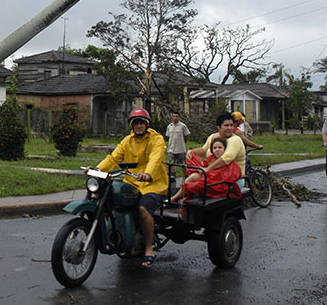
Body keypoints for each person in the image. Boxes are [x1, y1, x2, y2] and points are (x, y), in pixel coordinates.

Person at [94, 107, 168, 268]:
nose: (139, 126)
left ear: (147, 124)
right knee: (110, 199)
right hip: (132, 183)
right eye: (136, 123)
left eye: (142, 123)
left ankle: (149, 248)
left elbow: (156, 158)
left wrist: (148, 174)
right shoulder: (127, 141)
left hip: (153, 184)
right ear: (131, 125)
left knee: (143, 209)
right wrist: (97, 170)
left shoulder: (156, 139)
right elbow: (113, 158)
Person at [169, 137, 241, 203]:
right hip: (210, 180)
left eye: (220, 147)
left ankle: (175, 199)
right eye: (215, 148)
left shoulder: (227, 161)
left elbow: (227, 176)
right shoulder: (211, 159)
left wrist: (207, 172)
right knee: (193, 177)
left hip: (219, 185)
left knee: (196, 184)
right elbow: (204, 167)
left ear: (224, 149)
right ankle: (180, 200)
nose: (217, 150)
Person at [187, 113, 246, 185]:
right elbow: (203, 150)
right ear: (219, 127)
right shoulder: (213, 137)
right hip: (214, 175)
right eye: (226, 125)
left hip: (232, 178)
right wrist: (191, 152)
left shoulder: (235, 140)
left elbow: (226, 158)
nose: (230, 128)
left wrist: (207, 169)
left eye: (231, 125)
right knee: (192, 179)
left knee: (198, 184)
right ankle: (177, 196)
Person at [165, 111, 190, 192]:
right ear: (172, 117)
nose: (175, 118)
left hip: (180, 149)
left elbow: (186, 135)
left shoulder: (183, 126)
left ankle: (186, 177)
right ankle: (172, 178)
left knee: (183, 164)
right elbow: (168, 136)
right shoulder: (169, 126)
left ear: (179, 117)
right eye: (174, 116)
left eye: (176, 116)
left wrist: (183, 142)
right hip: (172, 149)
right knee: (171, 164)